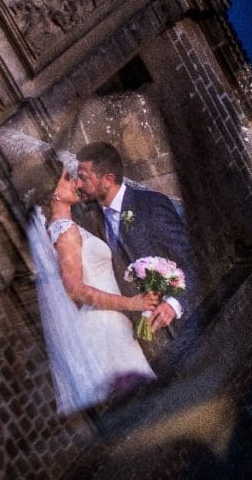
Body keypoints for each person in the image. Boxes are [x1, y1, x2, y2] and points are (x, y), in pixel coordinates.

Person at [22, 150, 158, 414]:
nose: (75, 183)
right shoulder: (67, 232)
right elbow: (75, 290)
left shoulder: (61, 228)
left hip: (105, 322)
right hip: (102, 327)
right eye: (66, 180)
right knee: (141, 409)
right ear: (53, 193)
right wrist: (130, 303)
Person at [75, 141, 199, 376]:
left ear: (108, 180)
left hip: (182, 334)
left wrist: (173, 305)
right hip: (141, 343)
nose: (79, 184)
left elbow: (191, 261)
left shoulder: (151, 205)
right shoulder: (95, 219)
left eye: (84, 177)